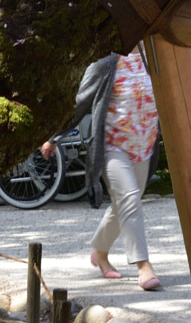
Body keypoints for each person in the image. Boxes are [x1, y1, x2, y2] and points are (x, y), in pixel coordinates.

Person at [64, 42, 164, 290]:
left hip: (144, 146)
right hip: (112, 146)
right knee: (130, 198)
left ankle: (99, 252)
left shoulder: (153, 55)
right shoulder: (106, 61)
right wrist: (53, 137)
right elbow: (80, 102)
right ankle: (143, 266)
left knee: (124, 204)